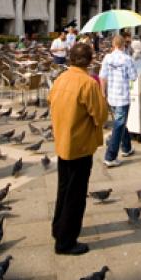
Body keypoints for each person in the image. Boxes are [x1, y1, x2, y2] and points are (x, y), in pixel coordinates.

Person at [49, 42, 108, 255]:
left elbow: (51, 101)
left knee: (64, 188)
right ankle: (66, 242)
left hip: (62, 141)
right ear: (90, 60)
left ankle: (58, 228)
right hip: (80, 144)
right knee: (76, 193)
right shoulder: (88, 84)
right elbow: (100, 116)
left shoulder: (60, 79)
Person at [99, 34, 137, 167]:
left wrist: (103, 92)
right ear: (123, 45)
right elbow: (133, 77)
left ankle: (127, 148)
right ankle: (110, 156)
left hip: (112, 96)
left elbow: (102, 77)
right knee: (119, 125)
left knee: (120, 122)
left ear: (113, 45)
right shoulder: (127, 59)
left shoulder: (107, 58)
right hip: (123, 96)